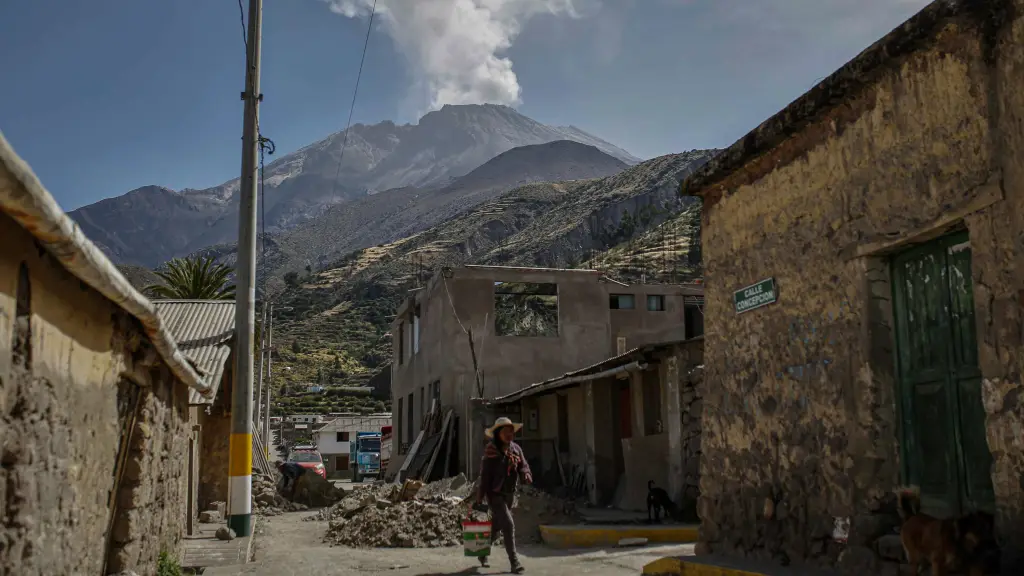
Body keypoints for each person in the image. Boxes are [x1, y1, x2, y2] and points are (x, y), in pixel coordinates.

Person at [475, 417, 532, 574]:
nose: (509, 434)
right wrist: (480, 496)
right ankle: (514, 562)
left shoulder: (516, 449)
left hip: (509, 494)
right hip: (495, 495)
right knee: (508, 524)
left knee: (496, 527)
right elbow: (485, 476)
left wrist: (525, 474)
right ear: (498, 433)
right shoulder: (491, 451)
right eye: (505, 431)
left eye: (511, 432)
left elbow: (523, 465)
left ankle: (482, 552)